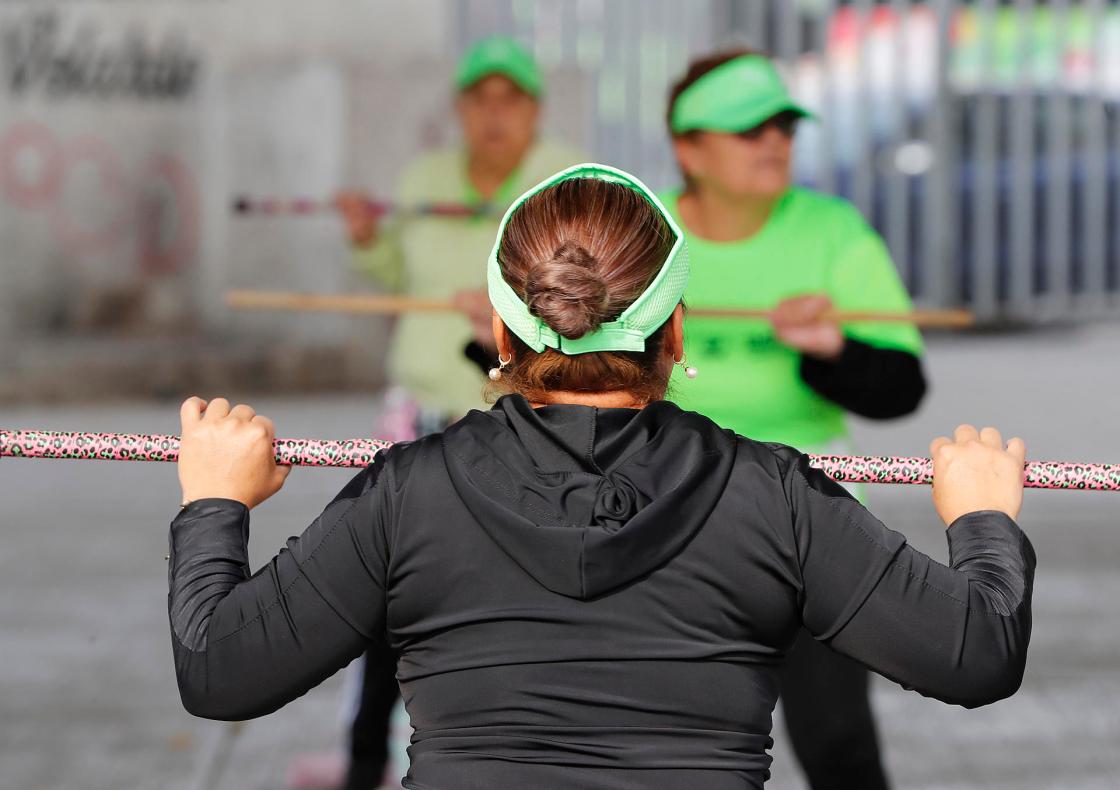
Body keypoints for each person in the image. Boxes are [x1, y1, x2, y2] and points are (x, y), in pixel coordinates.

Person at [168, 164, 1035, 790]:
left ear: (503, 339)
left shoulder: (406, 494)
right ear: (677, 335)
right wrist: (982, 517)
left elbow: (220, 674)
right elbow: (977, 655)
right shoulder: (776, 497)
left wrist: (215, 501)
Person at [662, 49, 927, 788]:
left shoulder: (831, 231)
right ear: (689, 147)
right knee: (678, 749)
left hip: (814, 516)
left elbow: (900, 387)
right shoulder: (641, 234)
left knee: (838, 742)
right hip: (666, 515)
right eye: (749, 128)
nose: (774, 140)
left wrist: (832, 351)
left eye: (783, 124)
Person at [331, 36, 582, 787]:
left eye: (512, 99)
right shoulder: (425, 177)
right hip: (415, 408)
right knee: (384, 587)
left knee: (510, 591)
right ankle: (364, 760)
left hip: (519, 411)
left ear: (535, 109)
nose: (495, 115)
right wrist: (369, 240)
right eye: (481, 99)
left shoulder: (565, 180)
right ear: (461, 109)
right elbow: (394, 274)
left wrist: (514, 317)